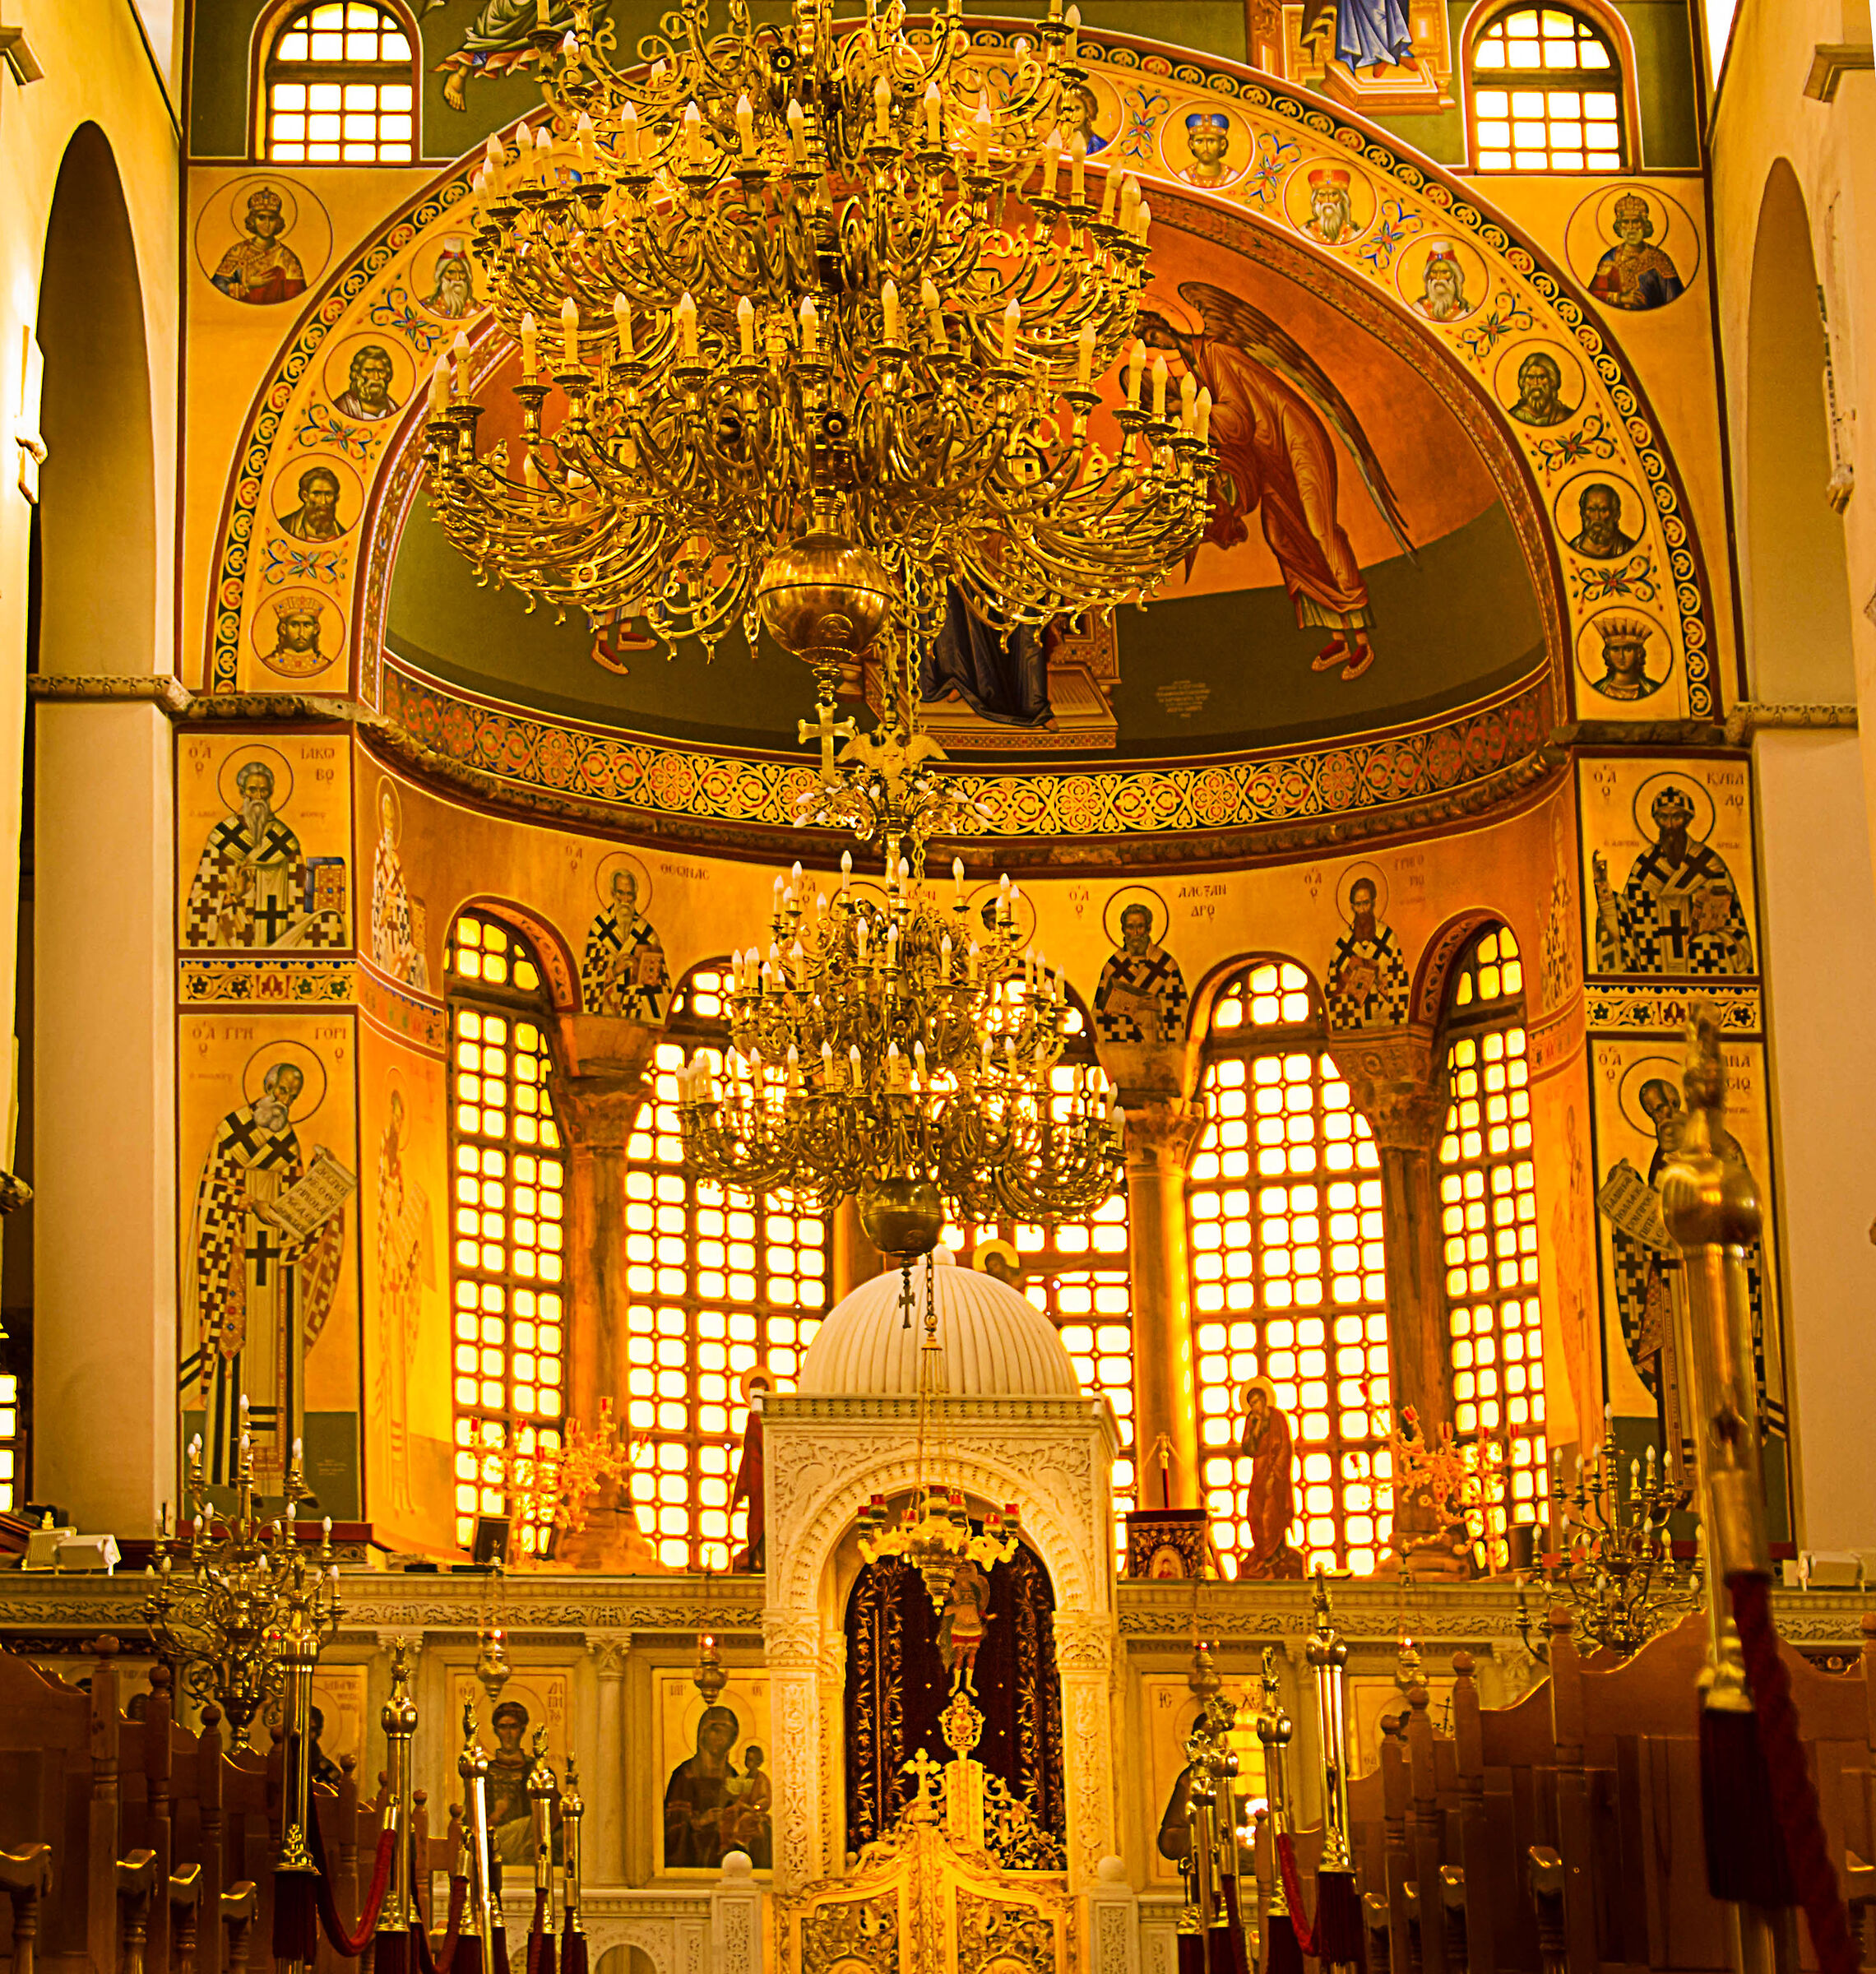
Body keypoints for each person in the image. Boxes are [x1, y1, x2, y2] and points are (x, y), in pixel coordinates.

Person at [1137, 291, 1409, 679]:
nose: (1154, 345)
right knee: (1282, 537)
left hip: (1296, 442)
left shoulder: (1216, 353)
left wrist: (1189, 413)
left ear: (1167, 327)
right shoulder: (1192, 372)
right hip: (1268, 457)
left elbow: (1238, 422)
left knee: (1319, 530)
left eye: (1153, 334)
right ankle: (1336, 633)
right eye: (1147, 342)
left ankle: (1362, 638)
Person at [179, 1061, 345, 1487]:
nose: (285, 1100)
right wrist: (251, 1205)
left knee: (276, 1364)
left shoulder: (288, 1141)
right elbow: (214, 1189)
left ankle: (277, 1477)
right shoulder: (231, 1130)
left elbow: (294, 1201)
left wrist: (320, 1178)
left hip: (275, 1269)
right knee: (232, 1357)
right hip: (233, 1256)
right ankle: (222, 1470)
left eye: (293, 1095)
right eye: (282, 1090)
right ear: (266, 1086)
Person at [1592, 785, 1754, 975]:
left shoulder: (1709, 865)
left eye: (1676, 817)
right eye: (1663, 817)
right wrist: (1604, 892)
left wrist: (1708, 941)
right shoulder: (1645, 867)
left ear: (1687, 819)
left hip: (1702, 970)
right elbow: (1627, 924)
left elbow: (1732, 925)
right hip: (1654, 970)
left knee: (1709, 944)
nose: (1669, 825)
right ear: (1656, 820)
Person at [184, 760, 322, 949]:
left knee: (330, 921)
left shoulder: (284, 839)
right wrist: (235, 895)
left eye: (264, 791)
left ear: (271, 793)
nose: (258, 796)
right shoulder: (224, 836)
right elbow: (203, 894)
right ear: (242, 792)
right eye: (252, 790)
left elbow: (298, 893)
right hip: (234, 928)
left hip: (279, 930)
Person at [374, 1087, 433, 1518]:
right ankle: (389, 1491)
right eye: (392, 1118)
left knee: (403, 1402)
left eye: (400, 1118)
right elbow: (381, 1225)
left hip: (398, 1289)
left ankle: (402, 1491)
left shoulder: (397, 1170)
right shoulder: (380, 1171)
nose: (396, 1125)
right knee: (391, 1391)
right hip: (386, 1296)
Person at [665, 1705, 754, 1869]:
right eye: (716, 1730)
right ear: (703, 1733)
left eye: (727, 1732)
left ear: (733, 1738)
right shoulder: (685, 1775)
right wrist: (700, 1821)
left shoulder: (734, 1776)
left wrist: (738, 1820)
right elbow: (673, 1830)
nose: (721, 1737)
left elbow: (741, 1816)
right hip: (693, 1858)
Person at [1093, 902, 1189, 1045]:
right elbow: (1099, 1013)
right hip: (1124, 1042)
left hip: (1158, 1042)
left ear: (1148, 928)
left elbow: (1182, 1007)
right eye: (1130, 927)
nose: (1136, 933)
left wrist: (1160, 1004)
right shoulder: (1113, 966)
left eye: (1140, 926)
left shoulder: (1165, 964)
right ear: (1123, 930)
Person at [580, 868, 669, 1018]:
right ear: (612, 893)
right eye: (620, 893)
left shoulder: (647, 933)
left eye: (629, 894)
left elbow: (662, 986)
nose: (625, 900)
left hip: (636, 1012)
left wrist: (640, 969)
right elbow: (589, 983)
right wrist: (615, 971)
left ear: (635, 896)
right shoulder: (600, 928)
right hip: (606, 1012)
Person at [1238, 1379, 1304, 1579]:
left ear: (1265, 1400)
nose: (1254, 1407)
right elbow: (1248, 1449)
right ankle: (1263, 1554)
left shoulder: (1278, 1417)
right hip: (1259, 1472)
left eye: (1256, 1402)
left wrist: (1275, 1475)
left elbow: (1285, 1447)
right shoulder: (1252, 1420)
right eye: (1251, 1404)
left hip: (1277, 1474)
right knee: (1254, 1512)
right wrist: (1256, 1430)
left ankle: (1275, 1556)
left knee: (1271, 1515)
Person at [1325, 875, 1410, 1028]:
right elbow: (1333, 988)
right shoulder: (1344, 944)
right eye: (1358, 904)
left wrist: (1381, 979)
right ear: (1352, 907)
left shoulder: (1387, 937)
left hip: (1385, 1015)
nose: (1363, 909)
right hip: (1355, 1020)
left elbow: (1399, 980)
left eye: (1366, 903)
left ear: (1373, 903)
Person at [371, 786, 430, 989]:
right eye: (386, 817)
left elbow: (403, 898)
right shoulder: (379, 854)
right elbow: (376, 894)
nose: (389, 824)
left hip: (398, 925)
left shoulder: (396, 860)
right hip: (384, 927)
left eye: (391, 818)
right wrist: (381, 916)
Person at [1589, 192, 1684, 313]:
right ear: (1619, 227)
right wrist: (1620, 298)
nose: (1631, 228)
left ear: (1644, 225)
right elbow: (1592, 296)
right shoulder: (1610, 258)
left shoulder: (1660, 259)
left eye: (1635, 222)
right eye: (1625, 222)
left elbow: (1675, 300)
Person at [211, 187, 306, 306]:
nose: (267, 224)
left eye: (271, 219)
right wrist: (247, 285)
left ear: (277, 222)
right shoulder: (238, 251)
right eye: (261, 218)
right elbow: (216, 288)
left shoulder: (287, 258)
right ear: (253, 220)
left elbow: (298, 300)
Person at [729, 1370, 770, 1573]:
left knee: (765, 1515)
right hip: (755, 1472)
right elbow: (750, 1448)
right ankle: (756, 1556)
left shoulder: (769, 1419)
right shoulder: (752, 1419)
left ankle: (762, 1556)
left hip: (766, 1472)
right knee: (756, 1516)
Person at [485, 1701, 534, 1864]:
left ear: (522, 1730)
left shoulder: (534, 1770)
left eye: (513, 1727)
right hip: (494, 1843)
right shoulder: (485, 1772)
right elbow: (472, 1820)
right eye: (503, 1727)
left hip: (527, 1848)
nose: (508, 1734)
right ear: (496, 1731)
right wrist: (496, 1815)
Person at [937, 1558, 994, 1693]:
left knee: (972, 1655)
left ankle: (968, 1685)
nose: (963, 1574)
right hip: (959, 1626)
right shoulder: (954, 1589)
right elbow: (943, 1599)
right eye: (961, 1571)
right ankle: (956, 1685)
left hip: (974, 1626)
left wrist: (986, 1616)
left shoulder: (975, 1588)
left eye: (966, 1571)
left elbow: (979, 1606)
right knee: (959, 1655)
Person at [1584, 616, 1661, 702]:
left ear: (1639, 653)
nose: (1621, 656)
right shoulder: (1598, 689)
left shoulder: (1653, 689)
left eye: (1628, 649)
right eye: (1615, 649)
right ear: (1607, 654)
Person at [262, 597, 328, 679]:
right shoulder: (272, 662)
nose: (301, 633)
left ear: (316, 629)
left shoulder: (323, 664)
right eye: (295, 625)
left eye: (307, 626)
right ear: (283, 629)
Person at [1567, 482, 1638, 559]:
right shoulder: (1572, 548)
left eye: (1603, 510)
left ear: (1616, 515)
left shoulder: (1630, 549)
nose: (1597, 517)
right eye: (1591, 510)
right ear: (1583, 514)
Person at [1506, 351, 1575, 427]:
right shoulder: (1511, 417)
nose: (1536, 383)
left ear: (1552, 381)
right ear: (1523, 382)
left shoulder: (1567, 416)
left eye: (1541, 377)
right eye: (1531, 377)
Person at [278, 466, 345, 542]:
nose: (323, 501)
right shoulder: (284, 527)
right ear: (305, 496)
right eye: (316, 494)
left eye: (328, 494)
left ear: (336, 497)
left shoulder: (343, 534)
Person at [334, 344, 399, 420]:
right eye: (369, 371)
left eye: (381, 371)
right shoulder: (343, 406)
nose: (376, 377)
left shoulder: (393, 407)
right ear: (357, 374)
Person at [1413, 241, 1470, 322]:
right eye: (1434, 272)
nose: (1438, 278)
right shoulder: (1417, 308)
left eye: (1444, 272)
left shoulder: (1467, 311)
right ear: (1428, 276)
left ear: (1455, 276)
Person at [1176, 111, 1234, 188]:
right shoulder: (1184, 177)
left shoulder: (1232, 177)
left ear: (1223, 144)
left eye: (1211, 141)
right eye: (1199, 141)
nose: (1205, 148)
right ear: (1191, 144)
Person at [421, 239, 476, 318]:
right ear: (440, 275)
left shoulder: (476, 309)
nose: (458, 278)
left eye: (462, 273)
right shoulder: (427, 308)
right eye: (451, 273)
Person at [1302, 167, 1356, 245]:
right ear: (1315, 200)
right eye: (1322, 195)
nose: (1327, 200)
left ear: (1343, 199)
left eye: (1333, 194)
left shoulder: (1355, 233)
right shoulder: (1305, 232)